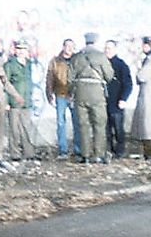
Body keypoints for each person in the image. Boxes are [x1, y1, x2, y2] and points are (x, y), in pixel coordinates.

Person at [68, 32, 115, 163]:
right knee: (99, 124)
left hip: (80, 93)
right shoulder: (101, 56)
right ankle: (99, 154)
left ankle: (85, 155)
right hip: (96, 93)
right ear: (95, 41)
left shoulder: (77, 57)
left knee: (83, 125)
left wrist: (72, 93)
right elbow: (109, 75)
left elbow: (69, 78)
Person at [45, 38, 80, 159]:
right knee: (61, 123)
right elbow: (50, 78)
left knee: (77, 122)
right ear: (63, 47)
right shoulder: (55, 61)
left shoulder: (77, 60)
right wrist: (49, 95)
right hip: (60, 95)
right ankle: (63, 150)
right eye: (67, 46)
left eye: (72, 46)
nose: (69, 49)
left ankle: (78, 149)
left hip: (75, 96)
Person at [4, 39, 37, 160]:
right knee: (14, 129)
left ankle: (29, 152)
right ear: (15, 51)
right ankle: (15, 153)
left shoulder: (28, 64)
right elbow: (5, 83)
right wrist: (7, 101)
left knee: (26, 128)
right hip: (14, 102)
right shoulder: (10, 65)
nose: (22, 52)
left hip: (27, 101)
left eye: (24, 49)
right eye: (19, 49)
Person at [104, 39, 133, 160]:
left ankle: (120, 151)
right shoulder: (102, 63)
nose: (107, 50)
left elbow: (128, 84)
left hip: (117, 103)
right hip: (104, 102)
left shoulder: (121, 65)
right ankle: (109, 150)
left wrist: (123, 99)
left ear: (115, 49)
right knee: (106, 129)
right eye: (105, 48)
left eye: (109, 48)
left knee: (118, 128)